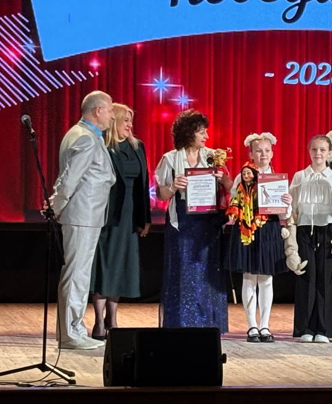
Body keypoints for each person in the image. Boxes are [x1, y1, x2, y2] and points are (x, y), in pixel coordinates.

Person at [49, 90, 116, 350]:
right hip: (81, 214)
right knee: (76, 274)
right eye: (110, 110)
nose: (112, 116)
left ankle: (74, 328)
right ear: (98, 110)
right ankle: (70, 334)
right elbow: (70, 178)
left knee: (80, 274)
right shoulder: (85, 137)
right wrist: (56, 205)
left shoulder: (84, 134)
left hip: (87, 215)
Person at [155, 110, 233, 331]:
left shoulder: (214, 156)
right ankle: (180, 323)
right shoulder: (170, 158)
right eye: (201, 132)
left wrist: (223, 178)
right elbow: (161, 195)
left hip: (208, 221)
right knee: (183, 270)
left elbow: (231, 186)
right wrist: (173, 186)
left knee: (208, 271)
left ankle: (209, 324)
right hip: (182, 221)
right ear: (189, 133)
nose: (206, 136)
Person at [90, 103, 151, 340]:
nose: (130, 125)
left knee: (122, 266)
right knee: (106, 266)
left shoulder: (137, 146)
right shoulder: (103, 147)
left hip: (130, 216)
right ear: (113, 121)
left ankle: (112, 318)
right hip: (108, 215)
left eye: (131, 121)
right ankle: (98, 320)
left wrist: (145, 218)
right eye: (125, 120)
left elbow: (143, 185)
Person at [224, 133, 292, 343]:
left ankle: (265, 325)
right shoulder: (242, 176)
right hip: (247, 230)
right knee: (249, 277)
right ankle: (252, 325)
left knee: (266, 278)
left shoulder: (278, 179)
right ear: (251, 154)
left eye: (267, 150)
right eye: (259, 150)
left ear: (272, 153)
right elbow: (234, 201)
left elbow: (285, 213)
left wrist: (287, 203)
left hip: (269, 229)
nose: (263, 154)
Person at [289, 135, 332, 343]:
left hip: (328, 230)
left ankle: (324, 328)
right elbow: (293, 208)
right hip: (305, 230)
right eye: (314, 149)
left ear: (329, 153)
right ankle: (305, 328)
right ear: (309, 151)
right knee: (306, 276)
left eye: (322, 149)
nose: (318, 153)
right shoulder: (300, 177)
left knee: (325, 278)